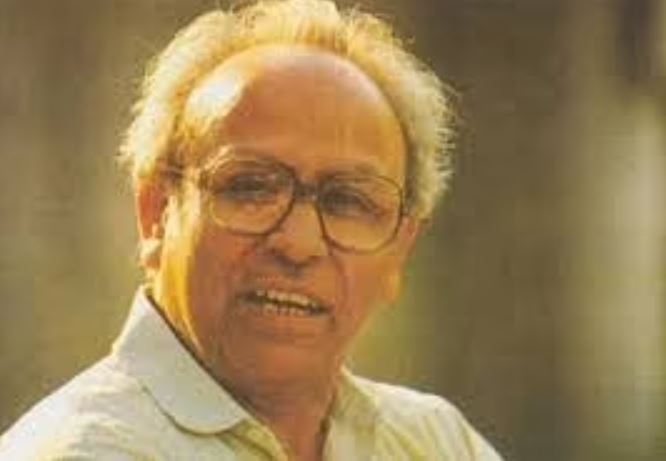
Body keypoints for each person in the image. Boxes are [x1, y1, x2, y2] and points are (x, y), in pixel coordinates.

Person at [0, 0, 503, 459]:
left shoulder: (436, 441)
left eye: (348, 200)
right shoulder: (85, 450)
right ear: (156, 213)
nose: (299, 244)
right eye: (251, 188)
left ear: (400, 250)